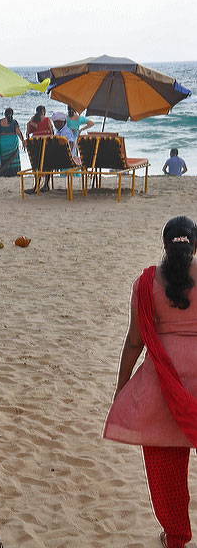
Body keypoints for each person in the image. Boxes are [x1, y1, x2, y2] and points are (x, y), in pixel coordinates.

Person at [104, 216, 197, 548]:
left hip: (164, 383)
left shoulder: (146, 283)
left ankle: (176, 536)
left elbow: (135, 341)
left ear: (164, 245)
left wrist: (122, 386)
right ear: (195, 245)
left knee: (165, 467)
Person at [0, 108, 24, 177]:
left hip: (2, 147)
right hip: (12, 146)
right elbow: (19, 133)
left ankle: (3, 173)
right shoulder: (14, 122)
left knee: (3, 161)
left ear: (4, 114)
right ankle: (14, 173)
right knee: (14, 161)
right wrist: (23, 141)